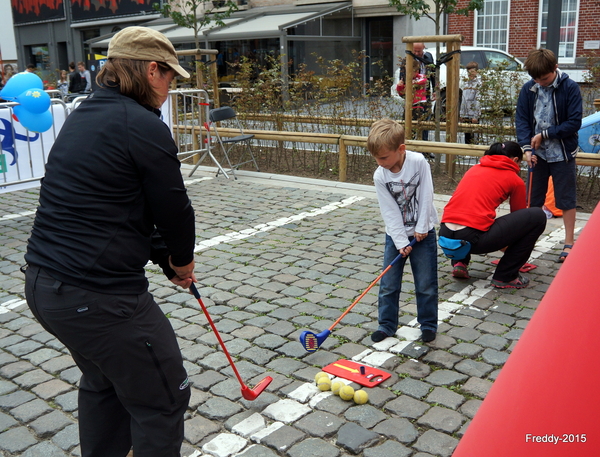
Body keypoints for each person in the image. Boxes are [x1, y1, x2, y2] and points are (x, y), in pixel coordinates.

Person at [23, 26, 195, 456]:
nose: (171, 87)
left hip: (45, 288)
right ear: (151, 70)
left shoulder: (86, 113)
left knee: (104, 384)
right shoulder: (142, 125)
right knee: (164, 397)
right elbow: (174, 211)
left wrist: (163, 258)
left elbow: (121, 205)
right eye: (170, 76)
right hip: (97, 297)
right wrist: (183, 260)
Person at [367, 118, 439, 343]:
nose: (380, 162)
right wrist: (400, 242)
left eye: (384, 157)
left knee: (426, 283)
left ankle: (428, 324)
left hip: (423, 235)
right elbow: (389, 211)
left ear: (401, 149)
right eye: (376, 158)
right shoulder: (381, 175)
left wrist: (421, 228)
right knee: (388, 284)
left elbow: (427, 194)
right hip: (395, 237)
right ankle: (386, 325)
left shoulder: (418, 163)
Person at [439, 142, 547, 288]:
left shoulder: (473, 170)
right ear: (515, 160)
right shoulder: (515, 180)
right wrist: (513, 251)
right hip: (473, 240)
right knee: (536, 216)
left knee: (468, 215)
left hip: (445, 235)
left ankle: (460, 263)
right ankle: (506, 276)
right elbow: (519, 218)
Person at [516, 48, 582, 263]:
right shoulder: (529, 88)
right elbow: (522, 120)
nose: (540, 82)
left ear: (555, 68)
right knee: (533, 200)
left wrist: (544, 134)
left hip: (562, 153)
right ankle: (527, 242)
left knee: (566, 198)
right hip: (537, 155)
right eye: (535, 78)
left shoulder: (570, 88)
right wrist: (526, 148)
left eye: (544, 78)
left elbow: (574, 123)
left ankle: (569, 242)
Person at [392, 43, 434, 141]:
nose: (416, 53)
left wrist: (435, 88)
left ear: (424, 48)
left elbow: (432, 75)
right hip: (412, 95)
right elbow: (403, 79)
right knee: (409, 122)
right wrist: (403, 87)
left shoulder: (428, 57)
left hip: (424, 94)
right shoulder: (407, 60)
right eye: (414, 50)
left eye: (418, 51)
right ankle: (409, 144)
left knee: (425, 121)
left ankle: (424, 146)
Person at [460, 61, 481, 145]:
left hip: (473, 113)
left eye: (472, 72)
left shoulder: (478, 84)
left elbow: (478, 100)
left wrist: (475, 115)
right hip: (465, 113)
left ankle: (475, 150)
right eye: (469, 72)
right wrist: (461, 114)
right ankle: (467, 149)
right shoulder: (465, 83)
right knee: (467, 133)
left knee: (474, 133)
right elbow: (463, 99)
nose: (470, 74)